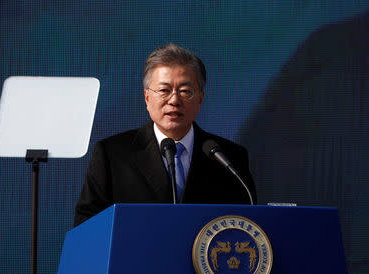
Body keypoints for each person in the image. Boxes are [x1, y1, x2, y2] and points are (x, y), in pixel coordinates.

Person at [74, 43, 256, 226]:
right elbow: (87, 224)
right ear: (147, 97)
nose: (174, 100)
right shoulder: (112, 155)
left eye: (185, 91)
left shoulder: (230, 158)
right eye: (164, 90)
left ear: (200, 98)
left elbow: (248, 225)